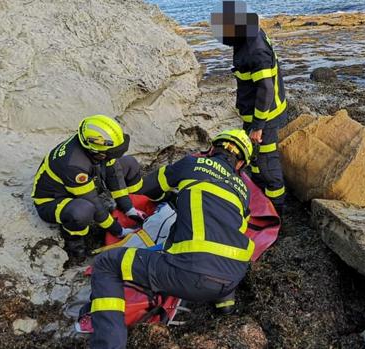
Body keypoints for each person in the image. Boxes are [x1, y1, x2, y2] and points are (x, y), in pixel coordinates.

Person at [81, 129, 255, 349]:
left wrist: (147, 185)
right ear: (240, 165)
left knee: (106, 264)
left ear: (211, 149)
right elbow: (237, 227)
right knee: (221, 241)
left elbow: (147, 188)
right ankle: (226, 307)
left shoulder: (193, 163)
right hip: (233, 277)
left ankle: (108, 344)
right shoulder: (244, 191)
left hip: (188, 275)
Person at [211, 0, 287, 214]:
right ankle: (259, 197)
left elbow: (265, 90)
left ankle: (277, 212)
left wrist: (258, 126)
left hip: (265, 117)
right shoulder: (248, 35)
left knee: (268, 166)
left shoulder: (255, 51)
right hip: (254, 114)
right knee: (254, 159)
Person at [32, 115, 146, 257]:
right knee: (82, 210)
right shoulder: (73, 165)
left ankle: (140, 203)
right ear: (95, 151)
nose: (112, 156)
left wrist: (129, 208)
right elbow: (93, 203)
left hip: (82, 183)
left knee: (129, 163)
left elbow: (113, 172)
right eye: (109, 153)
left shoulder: (94, 147)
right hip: (52, 201)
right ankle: (75, 243)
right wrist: (118, 230)